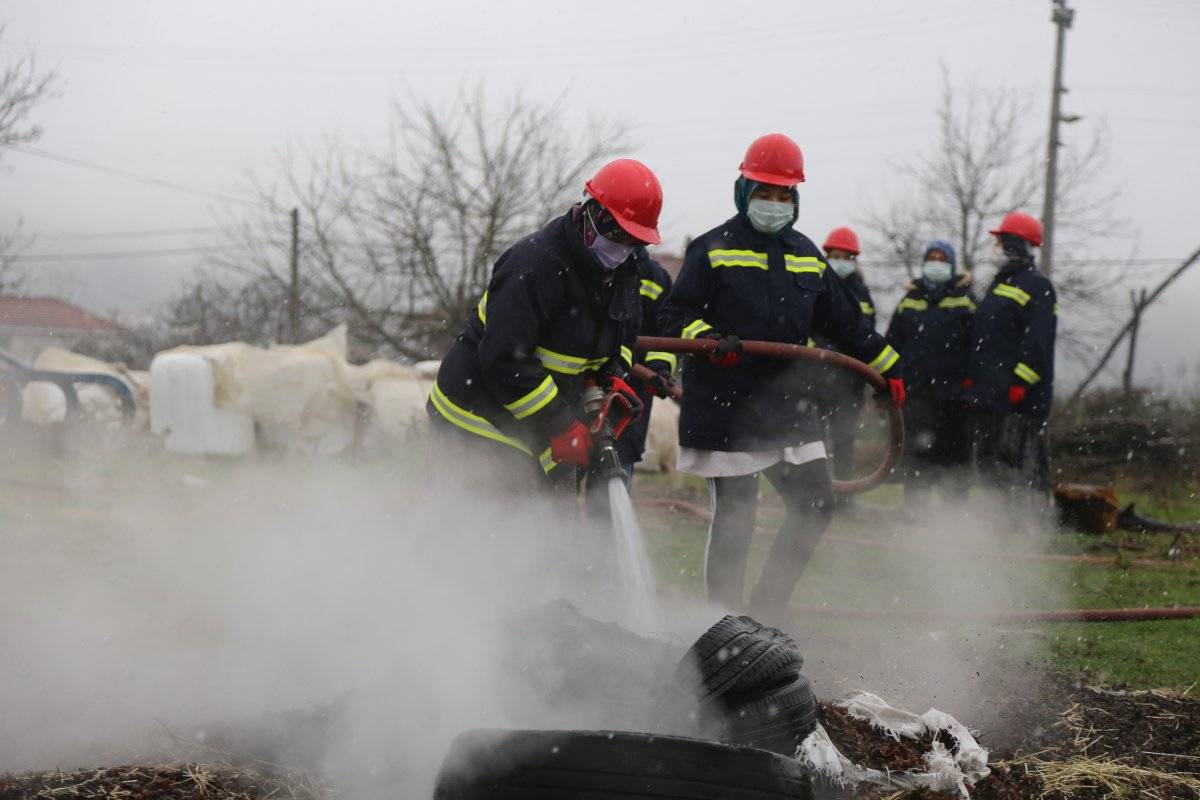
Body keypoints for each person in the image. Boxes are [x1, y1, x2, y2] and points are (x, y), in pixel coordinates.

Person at [660, 133, 904, 620]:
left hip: (787, 408)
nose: (774, 203)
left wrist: (890, 369)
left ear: (795, 198)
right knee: (737, 517)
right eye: (765, 193)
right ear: (743, 191)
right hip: (725, 409)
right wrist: (707, 337)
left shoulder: (805, 254)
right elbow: (672, 318)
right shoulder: (713, 249)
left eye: (784, 195)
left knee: (816, 506)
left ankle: (765, 614)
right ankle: (724, 625)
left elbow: (847, 323)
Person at [426, 159, 661, 495]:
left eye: (632, 239)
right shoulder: (535, 265)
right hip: (477, 413)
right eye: (614, 230)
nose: (621, 246)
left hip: (534, 417)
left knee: (548, 524)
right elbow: (504, 359)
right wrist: (560, 424)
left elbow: (624, 330)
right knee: (495, 524)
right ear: (589, 211)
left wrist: (613, 375)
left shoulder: (624, 270)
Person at [964, 212, 1057, 515]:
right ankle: (997, 520)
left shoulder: (1037, 286)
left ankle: (1027, 520)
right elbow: (988, 336)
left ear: (1014, 243)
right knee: (991, 461)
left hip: (1019, 399)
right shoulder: (1000, 284)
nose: (997, 247)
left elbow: (1038, 343)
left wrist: (1020, 382)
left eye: (1001, 241)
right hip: (991, 394)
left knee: (1020, 460)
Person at [885, 240, 975, 509]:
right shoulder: (909, 301)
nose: (936, 263)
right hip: (917, 393)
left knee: (955, 454)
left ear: (952, 265)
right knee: (916, 453)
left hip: (954, 396)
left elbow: (977, 345)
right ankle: (915, 508)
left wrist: (971, 381)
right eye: (932, 258)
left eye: (942, 259)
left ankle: (955, 512)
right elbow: (893, 343)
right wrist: (888, 381)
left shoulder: (966, 301)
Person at [812, 226, 876, 499]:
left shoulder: (860, 295)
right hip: (813, 379)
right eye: (834, 255)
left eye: (845, 256)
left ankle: (844, 497)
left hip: (848, 384)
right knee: (812, 443)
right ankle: (813, 494)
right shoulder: (815, 286)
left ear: (853, 260)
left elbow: (864, 335)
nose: (839, 261)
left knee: (843, 442)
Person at [615, 247, 678, 476]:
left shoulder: (655, 277)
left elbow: (665, 334)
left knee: (621, 456)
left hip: (633, 389)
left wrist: (658, 369)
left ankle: (608, 512)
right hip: (582, 378)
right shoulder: (587, 265)